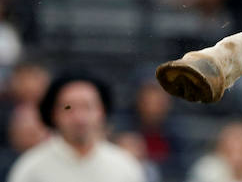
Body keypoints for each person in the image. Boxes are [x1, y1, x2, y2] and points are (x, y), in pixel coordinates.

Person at [7, 72, 143, 182]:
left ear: (102, 111)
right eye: (68, 108)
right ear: (54, 114)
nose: (79, 118)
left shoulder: (125, 167)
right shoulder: (31, 168)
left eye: (87, 107)